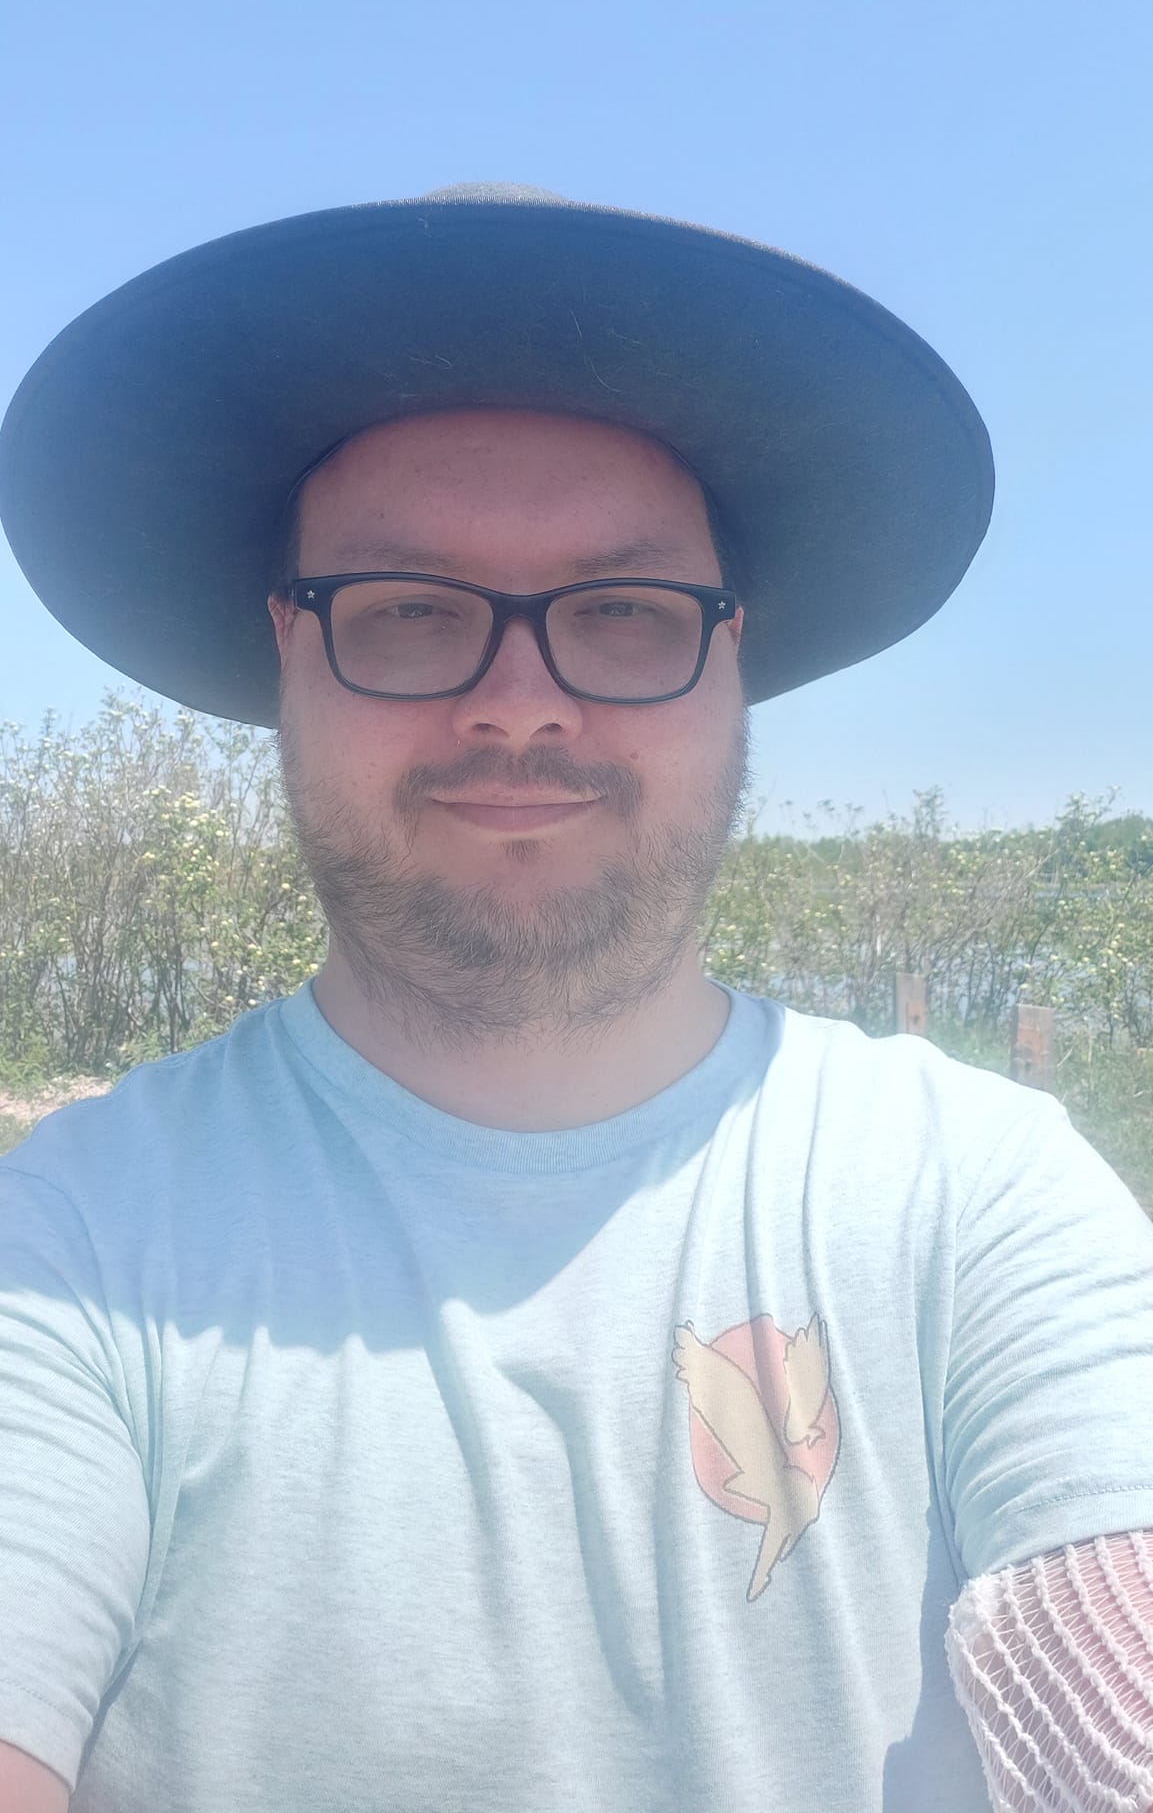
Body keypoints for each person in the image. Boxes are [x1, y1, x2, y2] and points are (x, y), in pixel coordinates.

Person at [0, 185, 1150, 1812]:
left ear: (735, 655)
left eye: (621, 613)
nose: (519, 707)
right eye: (409, 612)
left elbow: (1107, 1631)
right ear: (286, 654)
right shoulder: (74, 1242)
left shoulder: (977, 1193)